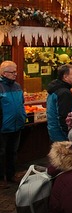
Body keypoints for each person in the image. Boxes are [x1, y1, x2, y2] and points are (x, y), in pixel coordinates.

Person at [0, 60, 26, 188]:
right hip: (3, 127)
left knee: (13, 152)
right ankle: (1, 179)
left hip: (17, 126)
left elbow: (21, 102)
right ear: (4, 73)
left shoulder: (17, 86)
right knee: (1, 154)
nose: (15, 74)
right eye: (12, 72)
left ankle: (11, 175)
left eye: (16, 71)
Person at [46, 64, 72, 142]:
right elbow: (63, 116)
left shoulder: (55, 88)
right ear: (65, 77)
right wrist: (68, 134)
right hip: (61, 135)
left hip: (54, 131)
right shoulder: (64, 93)